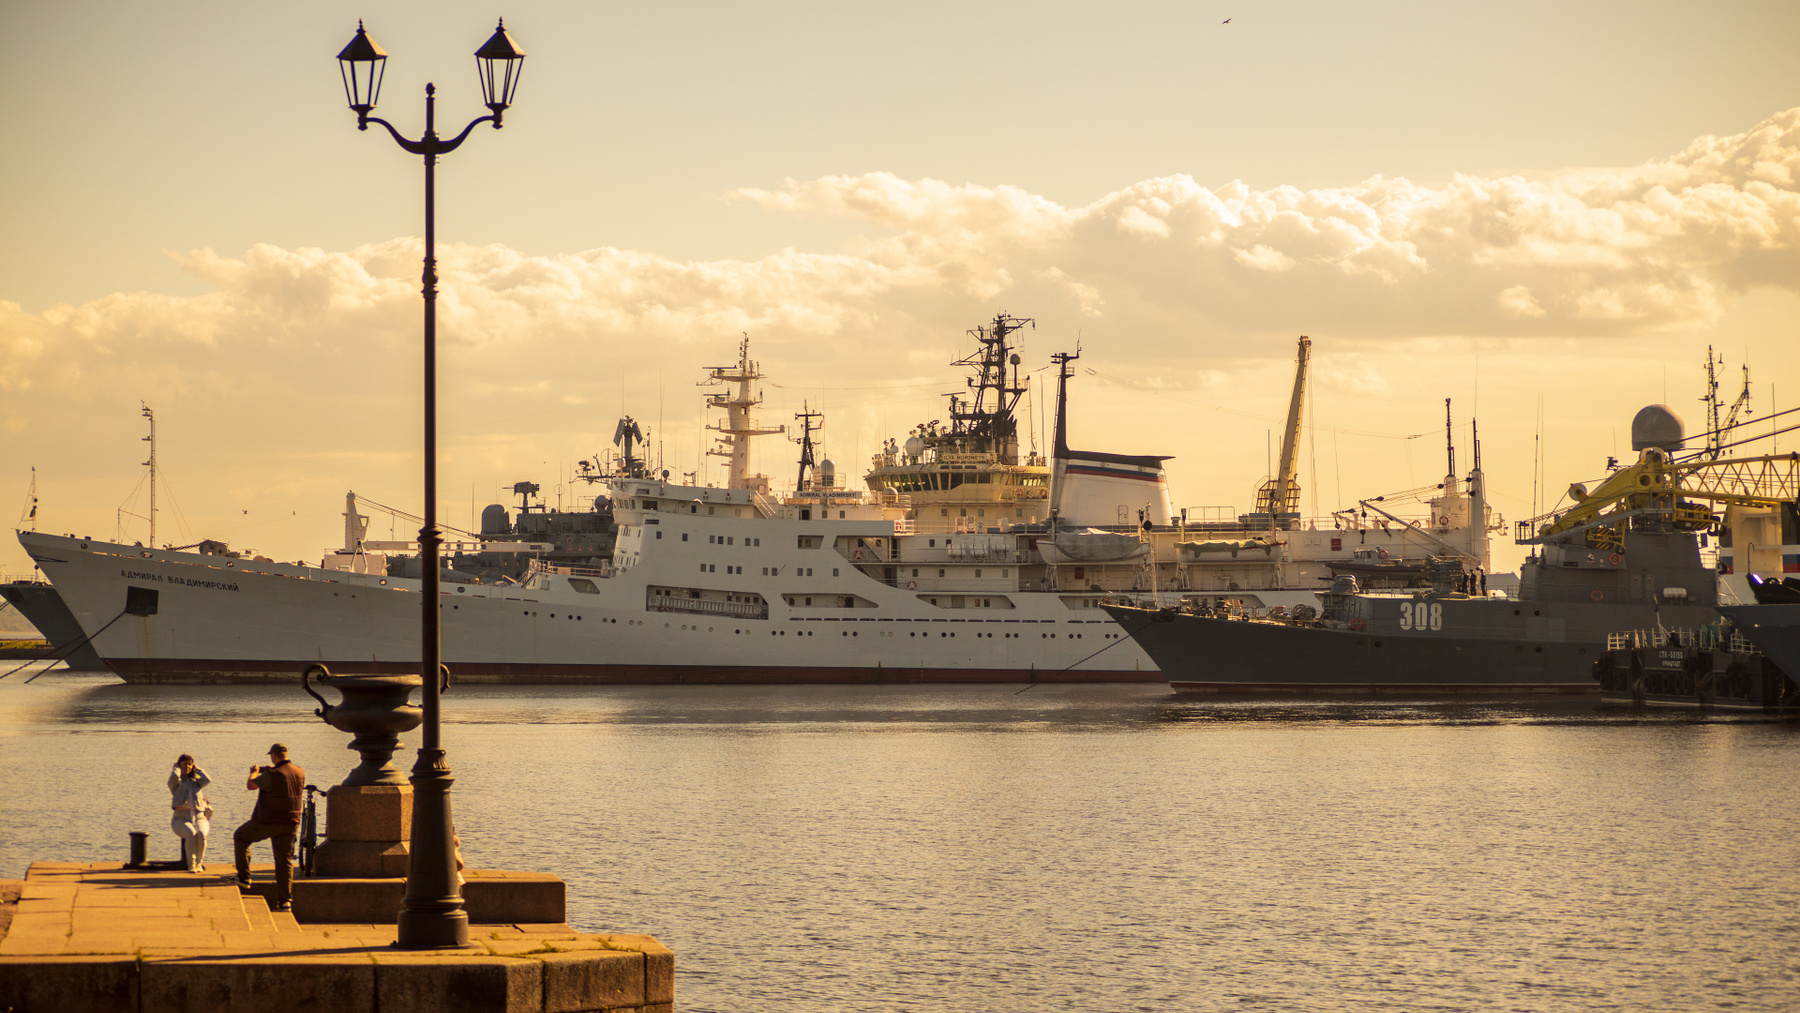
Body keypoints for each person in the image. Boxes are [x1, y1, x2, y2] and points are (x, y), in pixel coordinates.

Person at [233, 743, 305, 912]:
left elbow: (251, 785)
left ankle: (244, 877)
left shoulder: (272, 774)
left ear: (274, 755)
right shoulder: (299, 772)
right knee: (284, 861)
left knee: (241, 836)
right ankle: (285, 902)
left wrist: (254, 772)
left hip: (269, 821)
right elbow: (283, 784)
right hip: (291, 823)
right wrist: (270, 771)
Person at [167, 754, 212, 873]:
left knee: (201, 834)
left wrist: (197, 769)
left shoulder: (196, 782)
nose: (186, 766)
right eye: (183, 764)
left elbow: (207, 779)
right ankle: (191, 865)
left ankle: (199, 863)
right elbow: (173, 778)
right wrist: (176, 769)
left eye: (189, 764)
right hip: (180, 819)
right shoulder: (176, 783)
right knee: (191, 833)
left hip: (199, 817)